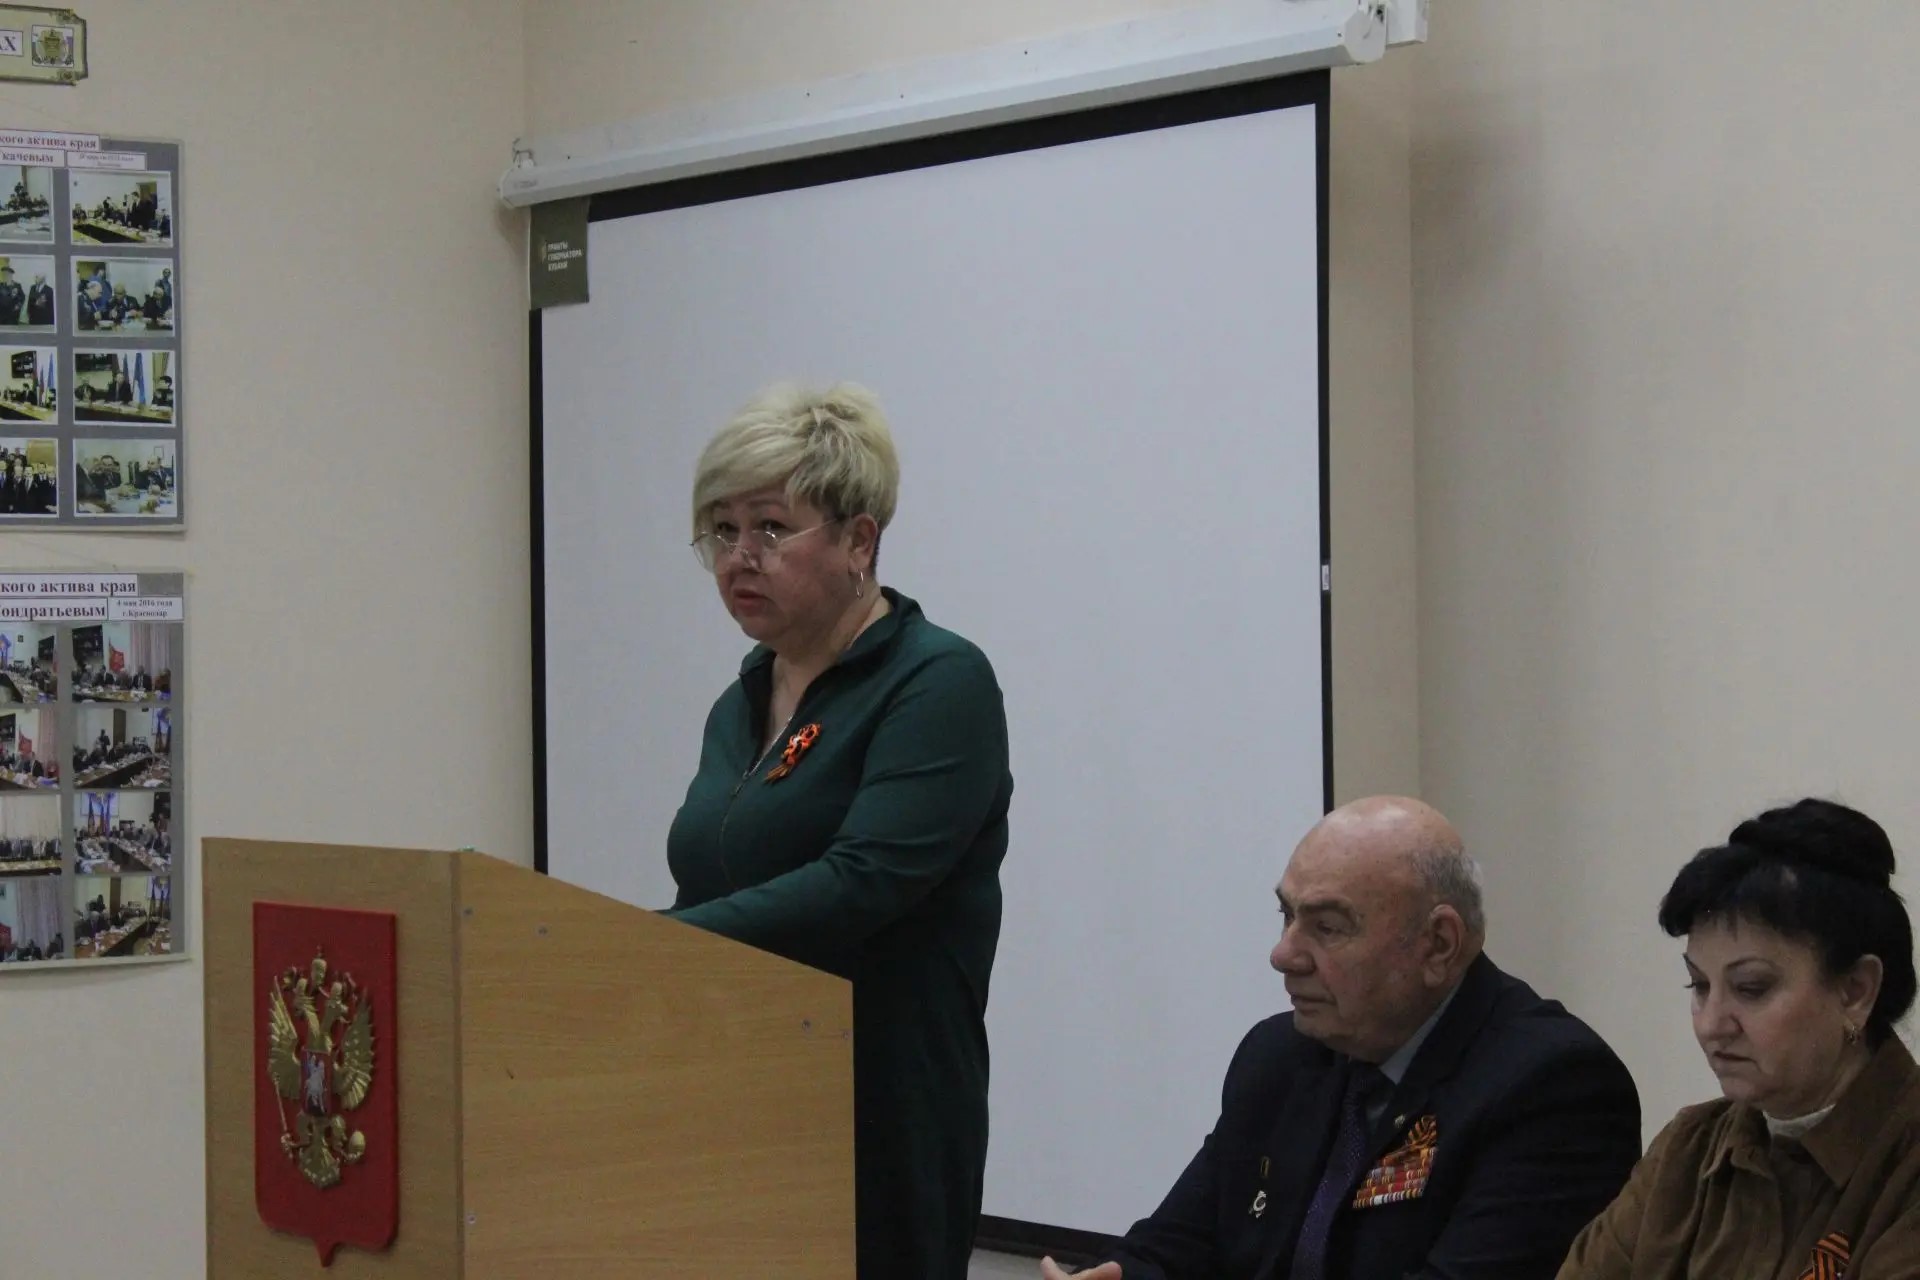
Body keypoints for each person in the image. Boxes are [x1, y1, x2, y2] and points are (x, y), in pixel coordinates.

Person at [663, 382, 1013, 1280]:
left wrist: (646, 944)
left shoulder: (937, 682)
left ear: (860, 541)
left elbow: (861, 883)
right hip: (734, 1092)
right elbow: (711, 878)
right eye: (722, 530)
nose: (739, 557)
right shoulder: (742, 699)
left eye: (771, 528)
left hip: (877, 1110)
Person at [1045, 797, 1641, 1280]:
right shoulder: (1280, 1056)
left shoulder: (1553, 1088)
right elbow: (1175, 1245)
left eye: (1327, 927)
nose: (1283, 955)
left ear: (1438, 944)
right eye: (1287, 916)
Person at [1556, 798, 1920, 1278]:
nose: (1711, 1024)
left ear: (1855, 991)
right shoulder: (1686, 1151)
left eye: (1751, 988)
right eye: (1699, 986)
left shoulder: (1905, 1168)